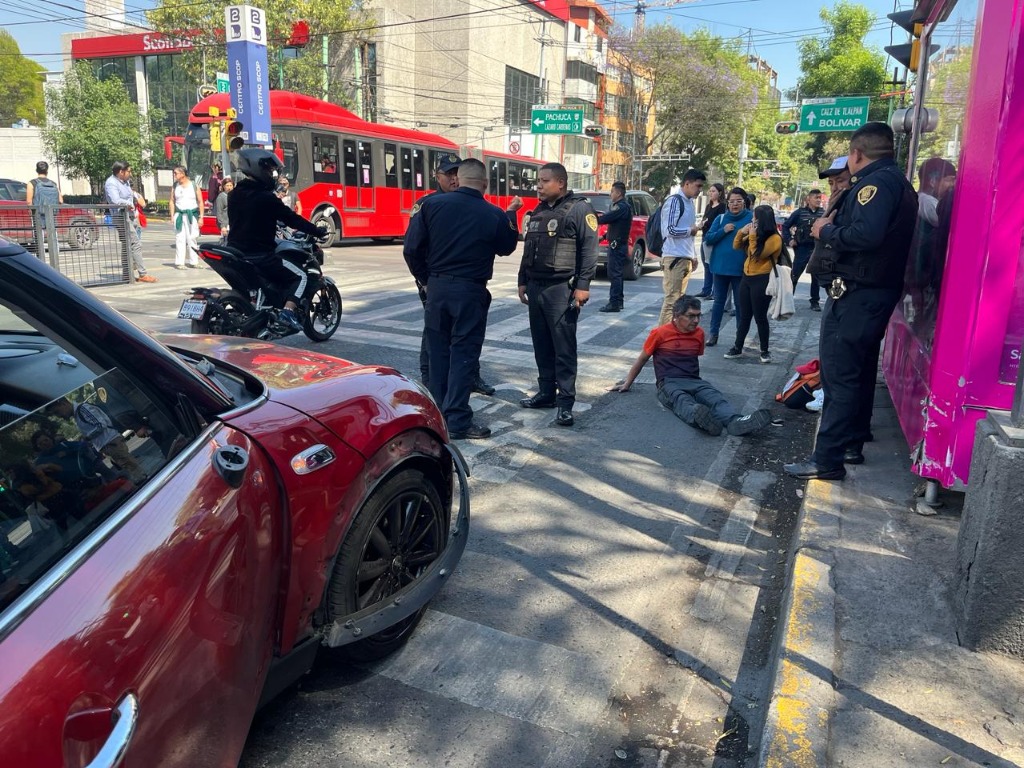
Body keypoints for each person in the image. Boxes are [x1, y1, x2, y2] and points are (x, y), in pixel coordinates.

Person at [785, 122, 918, 481]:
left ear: (857, 154)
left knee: (839, 376)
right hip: (872, 292)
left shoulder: (874, 186)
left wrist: (825, 230)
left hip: (858, 294)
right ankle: (851, 441)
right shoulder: (897, 183)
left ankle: (827, 459)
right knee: (856, 372)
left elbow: (867, 235)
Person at [403, 159, 519, 439]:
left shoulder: (431, 205)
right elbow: (506, 247)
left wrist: (426, 280)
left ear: (458, 180)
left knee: (438, 353)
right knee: (464, 356)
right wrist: (511, 217)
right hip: (470, 291)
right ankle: (457, 420)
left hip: (438, 289)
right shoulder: (492, 214)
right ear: (485, 184)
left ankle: (438, 415)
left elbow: (411, 249)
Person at [609, 296, 772, 436]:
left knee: (716, 398)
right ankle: (702, 418)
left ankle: (735, 422)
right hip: (668, 383)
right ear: (676, 316)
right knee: (682, 402)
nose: (696, 320)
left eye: (698, 316)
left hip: (695, 381)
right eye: (691, 316)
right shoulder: (659, 334)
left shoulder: (699, 333)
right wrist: (627, 383)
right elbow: (642, 359)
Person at [518, 162, 599, 427]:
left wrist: (583, 285)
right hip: (536, 286)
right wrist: (522, 281)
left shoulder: (579, 209)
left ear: (560, 183)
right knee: (541, 344)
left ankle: (565, 403)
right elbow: (530, 247)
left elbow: (589, 250)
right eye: (538, 181)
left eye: (544, 181)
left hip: (561, 289)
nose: (538, 186)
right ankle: (545, 393)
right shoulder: (540, 210)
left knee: (563, 348)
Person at [227, 148, 327, 333]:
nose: (271, 175)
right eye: (268, 170)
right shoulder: (266, 198)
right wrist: (317, 230)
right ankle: (287, 313)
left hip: (235, 252)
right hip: (259, 254)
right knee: (301, 276)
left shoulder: (234, 194)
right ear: (257, 169)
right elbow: (292, 219)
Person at [724, 205, 782, 364]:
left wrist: (752, 235)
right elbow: (736, 245)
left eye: (754, 218)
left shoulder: (774, 238)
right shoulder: (754, 233)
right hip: (747, 277)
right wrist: (742, 232)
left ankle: (764, 351)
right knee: (744, 316)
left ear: (761, 219)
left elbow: (758, 254)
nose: (752, 220)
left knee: (760, 317)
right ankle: (737, 347)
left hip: (762, 279)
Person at [44, 397, 146, 484]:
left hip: (111, 442)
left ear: (63, 403)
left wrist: (87, 437)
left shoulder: (82, 409)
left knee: (131, 467)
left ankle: (144, 481)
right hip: (107, 446)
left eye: (57, 412)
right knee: (128, 466)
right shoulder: (78, 414)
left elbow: (100, 425)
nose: (60, 416)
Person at [703, 187, 752, 346]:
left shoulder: (751, 219)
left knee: (740, 304)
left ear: (744, 202)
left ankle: (740, 337)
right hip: (720, 268)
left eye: (738, 201)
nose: (735, 204)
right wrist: (723, 230)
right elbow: (709, 238)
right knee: (718, 302)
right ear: (727, 203)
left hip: (741, 269)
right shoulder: (721, 219)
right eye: (732, 201)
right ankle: (713, 333)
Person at [657, 169, 706, 325]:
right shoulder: (674, 201)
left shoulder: (689, 203)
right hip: (673, 257)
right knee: (672, 301)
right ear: (687, 183)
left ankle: (672, 334)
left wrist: (693, 256)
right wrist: (690, 230)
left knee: (679, 302)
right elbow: (668, 230)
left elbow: (690, 234)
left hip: (685, 257)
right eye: (697, 186)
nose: (699, 190)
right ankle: (662, 338)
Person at [104, 161, 155, 283]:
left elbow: (130, 194)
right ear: (121, 172)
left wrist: (136, 197)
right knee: (135, 243)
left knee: (127, 245)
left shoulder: (125, 182)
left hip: (131, 215)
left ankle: (127, 274)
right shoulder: (111, 183)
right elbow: (115, 200)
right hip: (121, 216)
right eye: (129, 171)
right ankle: (143, 273)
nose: (130, 174)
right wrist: (129, 203)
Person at [783, 189, 825, 311]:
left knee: (816, 276)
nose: (818, 200)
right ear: (808, 199)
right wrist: (790, 240)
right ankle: (787, 300)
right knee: (795, 275)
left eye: (819, 198)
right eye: (815, 197)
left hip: (817, 248)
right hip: (802, 248)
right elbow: (786, 226)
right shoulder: (799, 213)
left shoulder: (823, 213)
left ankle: (815, 301)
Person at [597, 181, 633, 313]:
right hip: (617, 243)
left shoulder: (621, 207)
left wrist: (593, 218)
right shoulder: (623, 206)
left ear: (618, 193)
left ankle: (614, 303)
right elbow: (617, 227)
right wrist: (604, 236)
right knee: (617, 274)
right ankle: (619, 301)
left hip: (617, 246)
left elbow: (607, 218)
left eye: (612, 192)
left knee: (614, 274)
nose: (610, 195)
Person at [26, 161, 63, 258]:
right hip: (51, 214)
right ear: (47, 170)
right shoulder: (53, 184)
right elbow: (60, 200)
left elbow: (29, 202)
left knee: (39, 238)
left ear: (36, 170)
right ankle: (55, 257)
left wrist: (31, 213)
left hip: (38, 214)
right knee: (53, 237)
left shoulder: (32, 183)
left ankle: (41, 259)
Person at [169, 166, 202, 270]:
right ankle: (179, 262)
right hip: (179, 215)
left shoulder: (193, 185)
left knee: (192, 238)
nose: (174, 175)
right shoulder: (175, 186)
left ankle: (194, 262)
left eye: (176, 173)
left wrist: (201, 217)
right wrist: (172, 216)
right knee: (180, 238)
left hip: (192, 214)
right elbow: (171, 201)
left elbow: (200, 201)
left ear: (182, 174)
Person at [697, 183, 726, 298]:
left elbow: (719, 223)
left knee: (713, 264)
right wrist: (701, 224)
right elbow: (705, 219)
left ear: (720, 192)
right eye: (710, 191)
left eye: (713, 191)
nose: (711, 193)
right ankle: (706, 289)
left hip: (714, 238)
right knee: (705, 264)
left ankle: (715, 291)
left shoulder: (722, 207)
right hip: (705, 236)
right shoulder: (709, 206)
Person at [215, 176, 234, 243]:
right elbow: (219, 213)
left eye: (231, 185)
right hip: (225, 225)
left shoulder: (234, 196)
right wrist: (222, 226)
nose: (229, 187)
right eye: (227, 185)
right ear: (223, 186)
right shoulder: (221, 197)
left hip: (233, 224)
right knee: (225, 242)